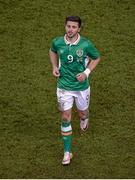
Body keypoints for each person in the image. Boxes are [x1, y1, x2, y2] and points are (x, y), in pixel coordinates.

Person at [49, 15, 100, 165]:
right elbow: (52, 51)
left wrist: (86, 73)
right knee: (65, 117)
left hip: (81, 88)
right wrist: (54, 66)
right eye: (68, 26)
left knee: (82, 113)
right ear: (65, 26)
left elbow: (96, 58)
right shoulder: (57, 42)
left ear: (79, 29)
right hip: (64, 86)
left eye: (73, 27)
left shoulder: (85, 44)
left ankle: (84, 118)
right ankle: (67, 153)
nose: (70, 29)